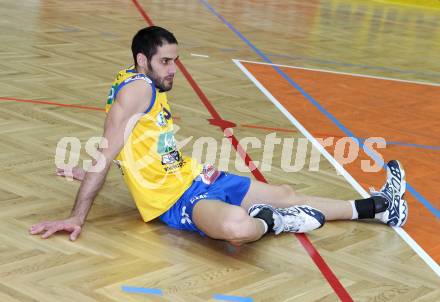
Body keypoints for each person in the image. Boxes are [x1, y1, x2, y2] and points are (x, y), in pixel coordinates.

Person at [29, 26, 408, 246]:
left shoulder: (135, 81)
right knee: (237, 229)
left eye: (175, 60)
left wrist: (112, 165)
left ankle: (378, 207)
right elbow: (106, 149)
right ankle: (276, 222)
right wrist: (76, 215)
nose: (174, 69)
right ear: (143, 61)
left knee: (287, 194)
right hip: (176, 200)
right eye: (165, 61)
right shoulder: (137, 91)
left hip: (195, 175)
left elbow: (124, 142)